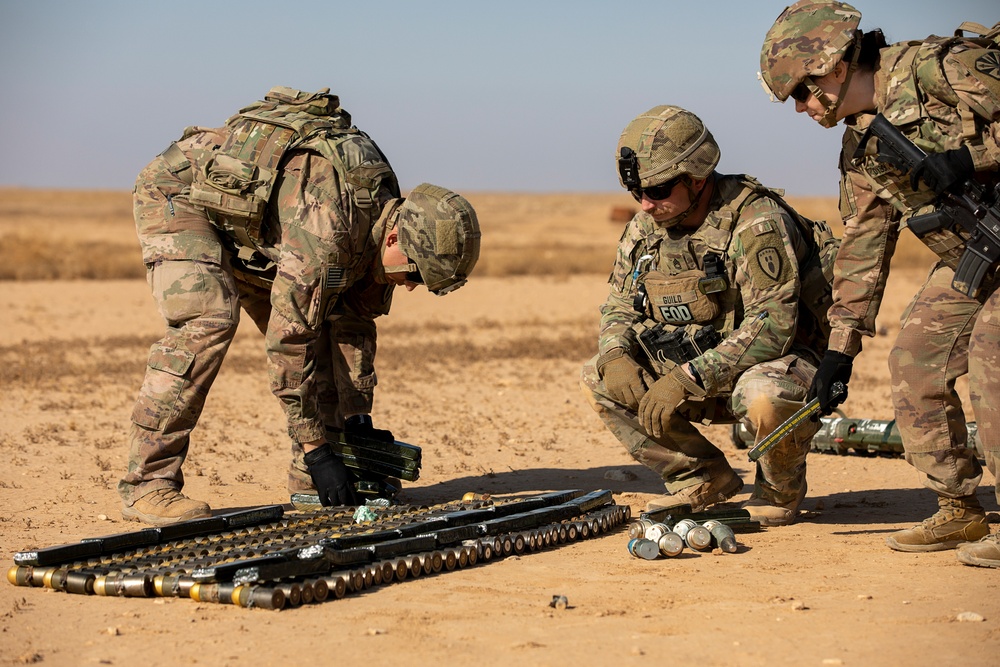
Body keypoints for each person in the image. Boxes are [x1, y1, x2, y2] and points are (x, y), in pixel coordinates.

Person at [118, 86, 480, 526]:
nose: (410, 287)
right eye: (416, 274)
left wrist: (356, 427)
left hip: (255, 233)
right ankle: (148, 483)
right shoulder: (328, 229)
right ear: (394, 238)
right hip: (181, 196)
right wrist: (317, 449)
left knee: (324, 324)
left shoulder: (382, 218)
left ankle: (309, 480)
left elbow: (353, 329)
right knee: (210, 319)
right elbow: (288, 344)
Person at [759, 1, 1000, 566]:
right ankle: (958, 508)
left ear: (836, 66)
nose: (801, 108)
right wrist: (838, 354)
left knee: (992, 353)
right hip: (980, 256)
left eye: (802, 90)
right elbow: (864, 247)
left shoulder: (943, 69)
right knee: (916, 357)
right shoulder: (862, 149)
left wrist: (970, 158)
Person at [580, 105, 838, 525]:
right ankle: (701, 477)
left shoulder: (756, 223)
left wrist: (686, 379)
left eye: (659, 191)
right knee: (599, 375)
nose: (646, 205)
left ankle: (778, 491)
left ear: (696, 178)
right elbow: (620, 305)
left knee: (764, 396)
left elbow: (773, 326)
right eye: (637, 193)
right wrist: (614, 354)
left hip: (778, 366)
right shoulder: (645, 229)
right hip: (699, 364)